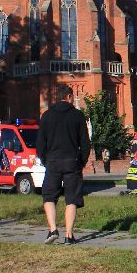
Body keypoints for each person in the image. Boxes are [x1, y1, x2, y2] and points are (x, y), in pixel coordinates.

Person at [37, 84, 91, 245]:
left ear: (56, 97)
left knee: (49, 196)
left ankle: (53, 229)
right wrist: (82, 160)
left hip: (52, 161)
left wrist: (45, 160)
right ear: (69, 97)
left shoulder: (46, 116)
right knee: (72, 198)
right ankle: (69, 235)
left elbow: (40, 143)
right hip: (72, 161)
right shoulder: (77, 116)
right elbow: (85, 142)